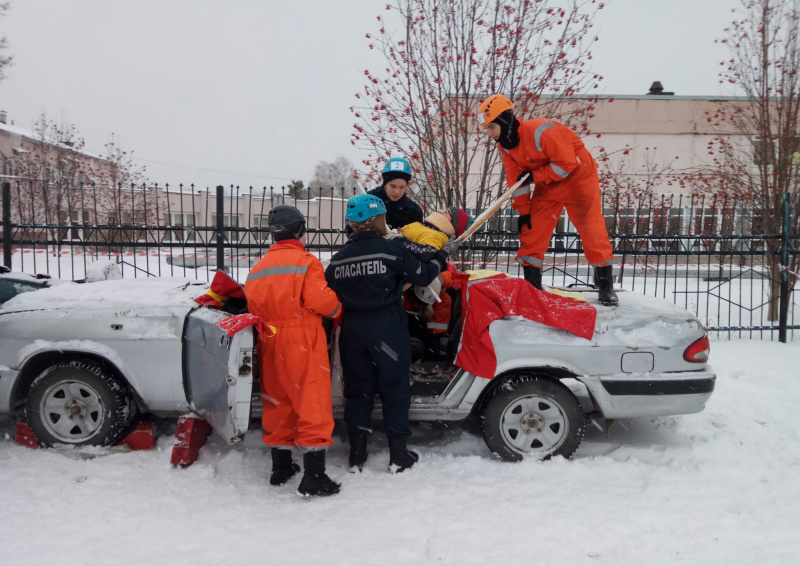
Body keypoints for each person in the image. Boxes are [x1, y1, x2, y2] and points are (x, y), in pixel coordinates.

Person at [324, 193, 457, 474]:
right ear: (375, 220)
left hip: (353, 330)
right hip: (386, 326)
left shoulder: (337, 261)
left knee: (358, 392)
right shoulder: (390, 250)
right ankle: (398, 456)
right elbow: (422, 276)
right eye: (384, 217)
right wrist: (442, 257)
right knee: (394, 390)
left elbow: (328, 293)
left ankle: (357, 456)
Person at [478, 94, 619, 306]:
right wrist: (524, 211)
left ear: (504, 121)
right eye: (486, 129)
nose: (489, 134)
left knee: (590, 227)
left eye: (491, 127)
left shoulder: (543, 132)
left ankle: (606, 286)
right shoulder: (505, 145)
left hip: (579, 178)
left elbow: (566, 164)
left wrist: (535, 176)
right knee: (532, 230)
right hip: (548, 183)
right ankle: (533, 288)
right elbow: (516, 181)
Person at [244, 205, 342, 497]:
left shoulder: (258, 267)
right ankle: (314, 476)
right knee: (311, 401)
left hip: (269, 339)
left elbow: (253, 306)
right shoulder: (306, 262)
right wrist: (337, 307)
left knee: (277, 401)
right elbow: (320, 301)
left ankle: (281, 468)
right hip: (301, 339)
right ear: (300, 229)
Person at [367, 157, 424, 229]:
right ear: (385, 183)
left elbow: (418, 236)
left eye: (402, 187)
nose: (397, 192)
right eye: (393, 186)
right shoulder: (367, 201)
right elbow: (352, 229)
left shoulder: (413, 211)